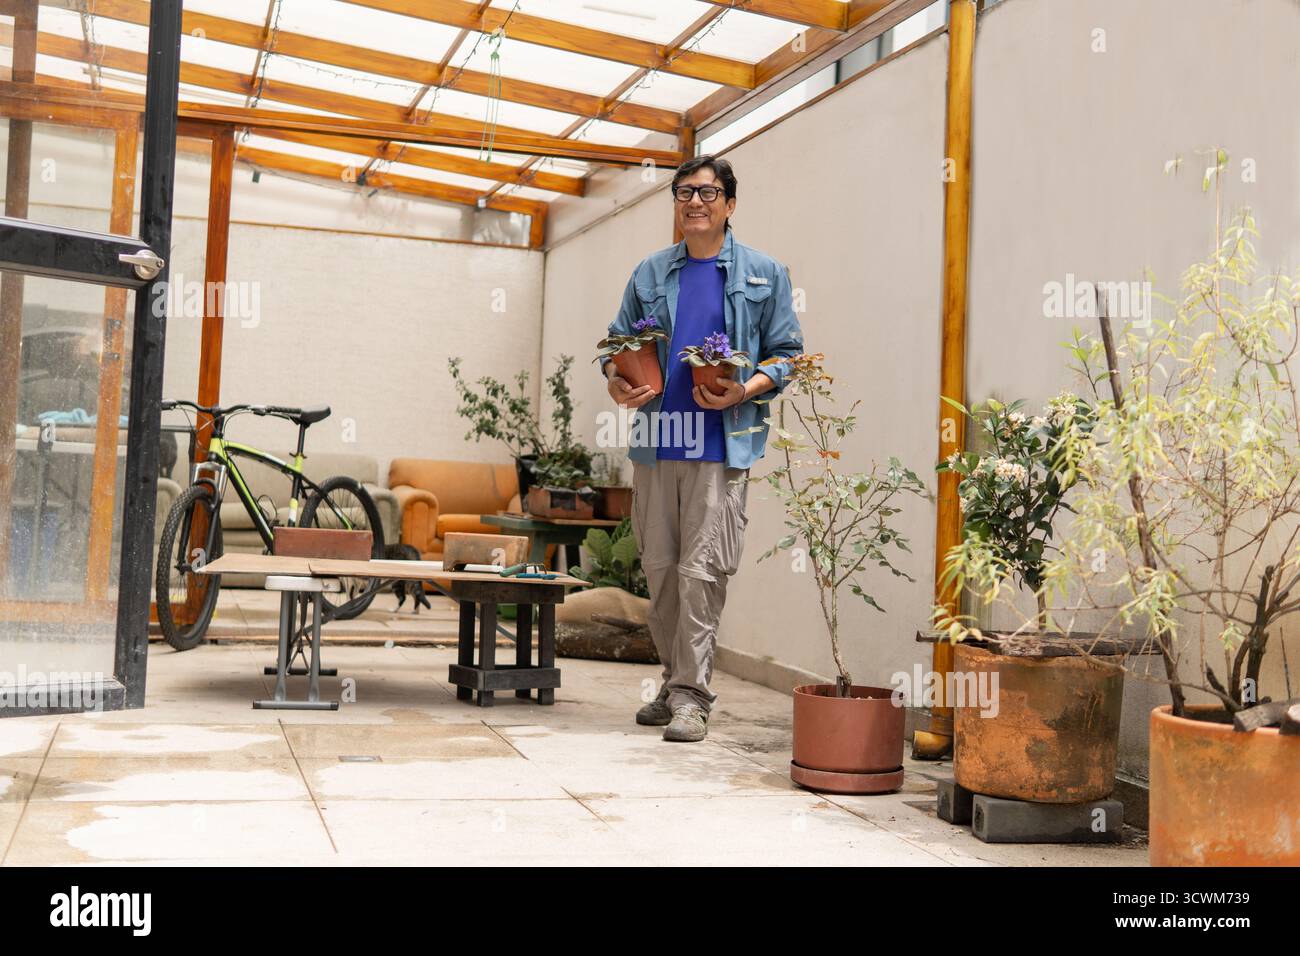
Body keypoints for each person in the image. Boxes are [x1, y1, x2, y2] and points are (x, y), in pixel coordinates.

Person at [598, 155, 805, 742]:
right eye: (685, 192)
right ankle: (672, 681)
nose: (695, 201)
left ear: (730, 205)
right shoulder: (649, 273)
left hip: (721, 443)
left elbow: (787, 354)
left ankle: (692, 696)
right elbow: (617, 346)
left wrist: (744, 388)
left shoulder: (764, 274)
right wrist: (617, 382)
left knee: (701, 571)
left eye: (708, 193)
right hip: (659, 440)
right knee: (660, 570)